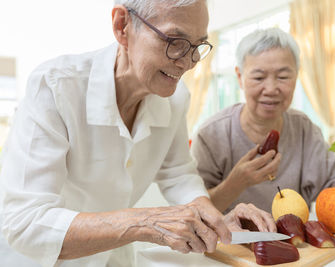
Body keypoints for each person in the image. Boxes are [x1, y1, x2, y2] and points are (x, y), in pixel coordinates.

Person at [0, 1, 276, 266]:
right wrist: (145, 221)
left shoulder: (176, 98)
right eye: (173, 41)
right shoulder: (56, 87)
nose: (188, 63)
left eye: (197, 46)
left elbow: (179, 174)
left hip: (112, 259)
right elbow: (25, 223)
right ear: (122, 26)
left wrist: (213, 220)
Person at [191, 28, 335, 214]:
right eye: (259, 77)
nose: (271, 89)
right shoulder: (211, 135)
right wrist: (236, 183)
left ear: (296, 77)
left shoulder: (305, 130)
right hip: (231, 241)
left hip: (294, 241)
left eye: (283, 77)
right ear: (240, 77)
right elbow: (194, 211)